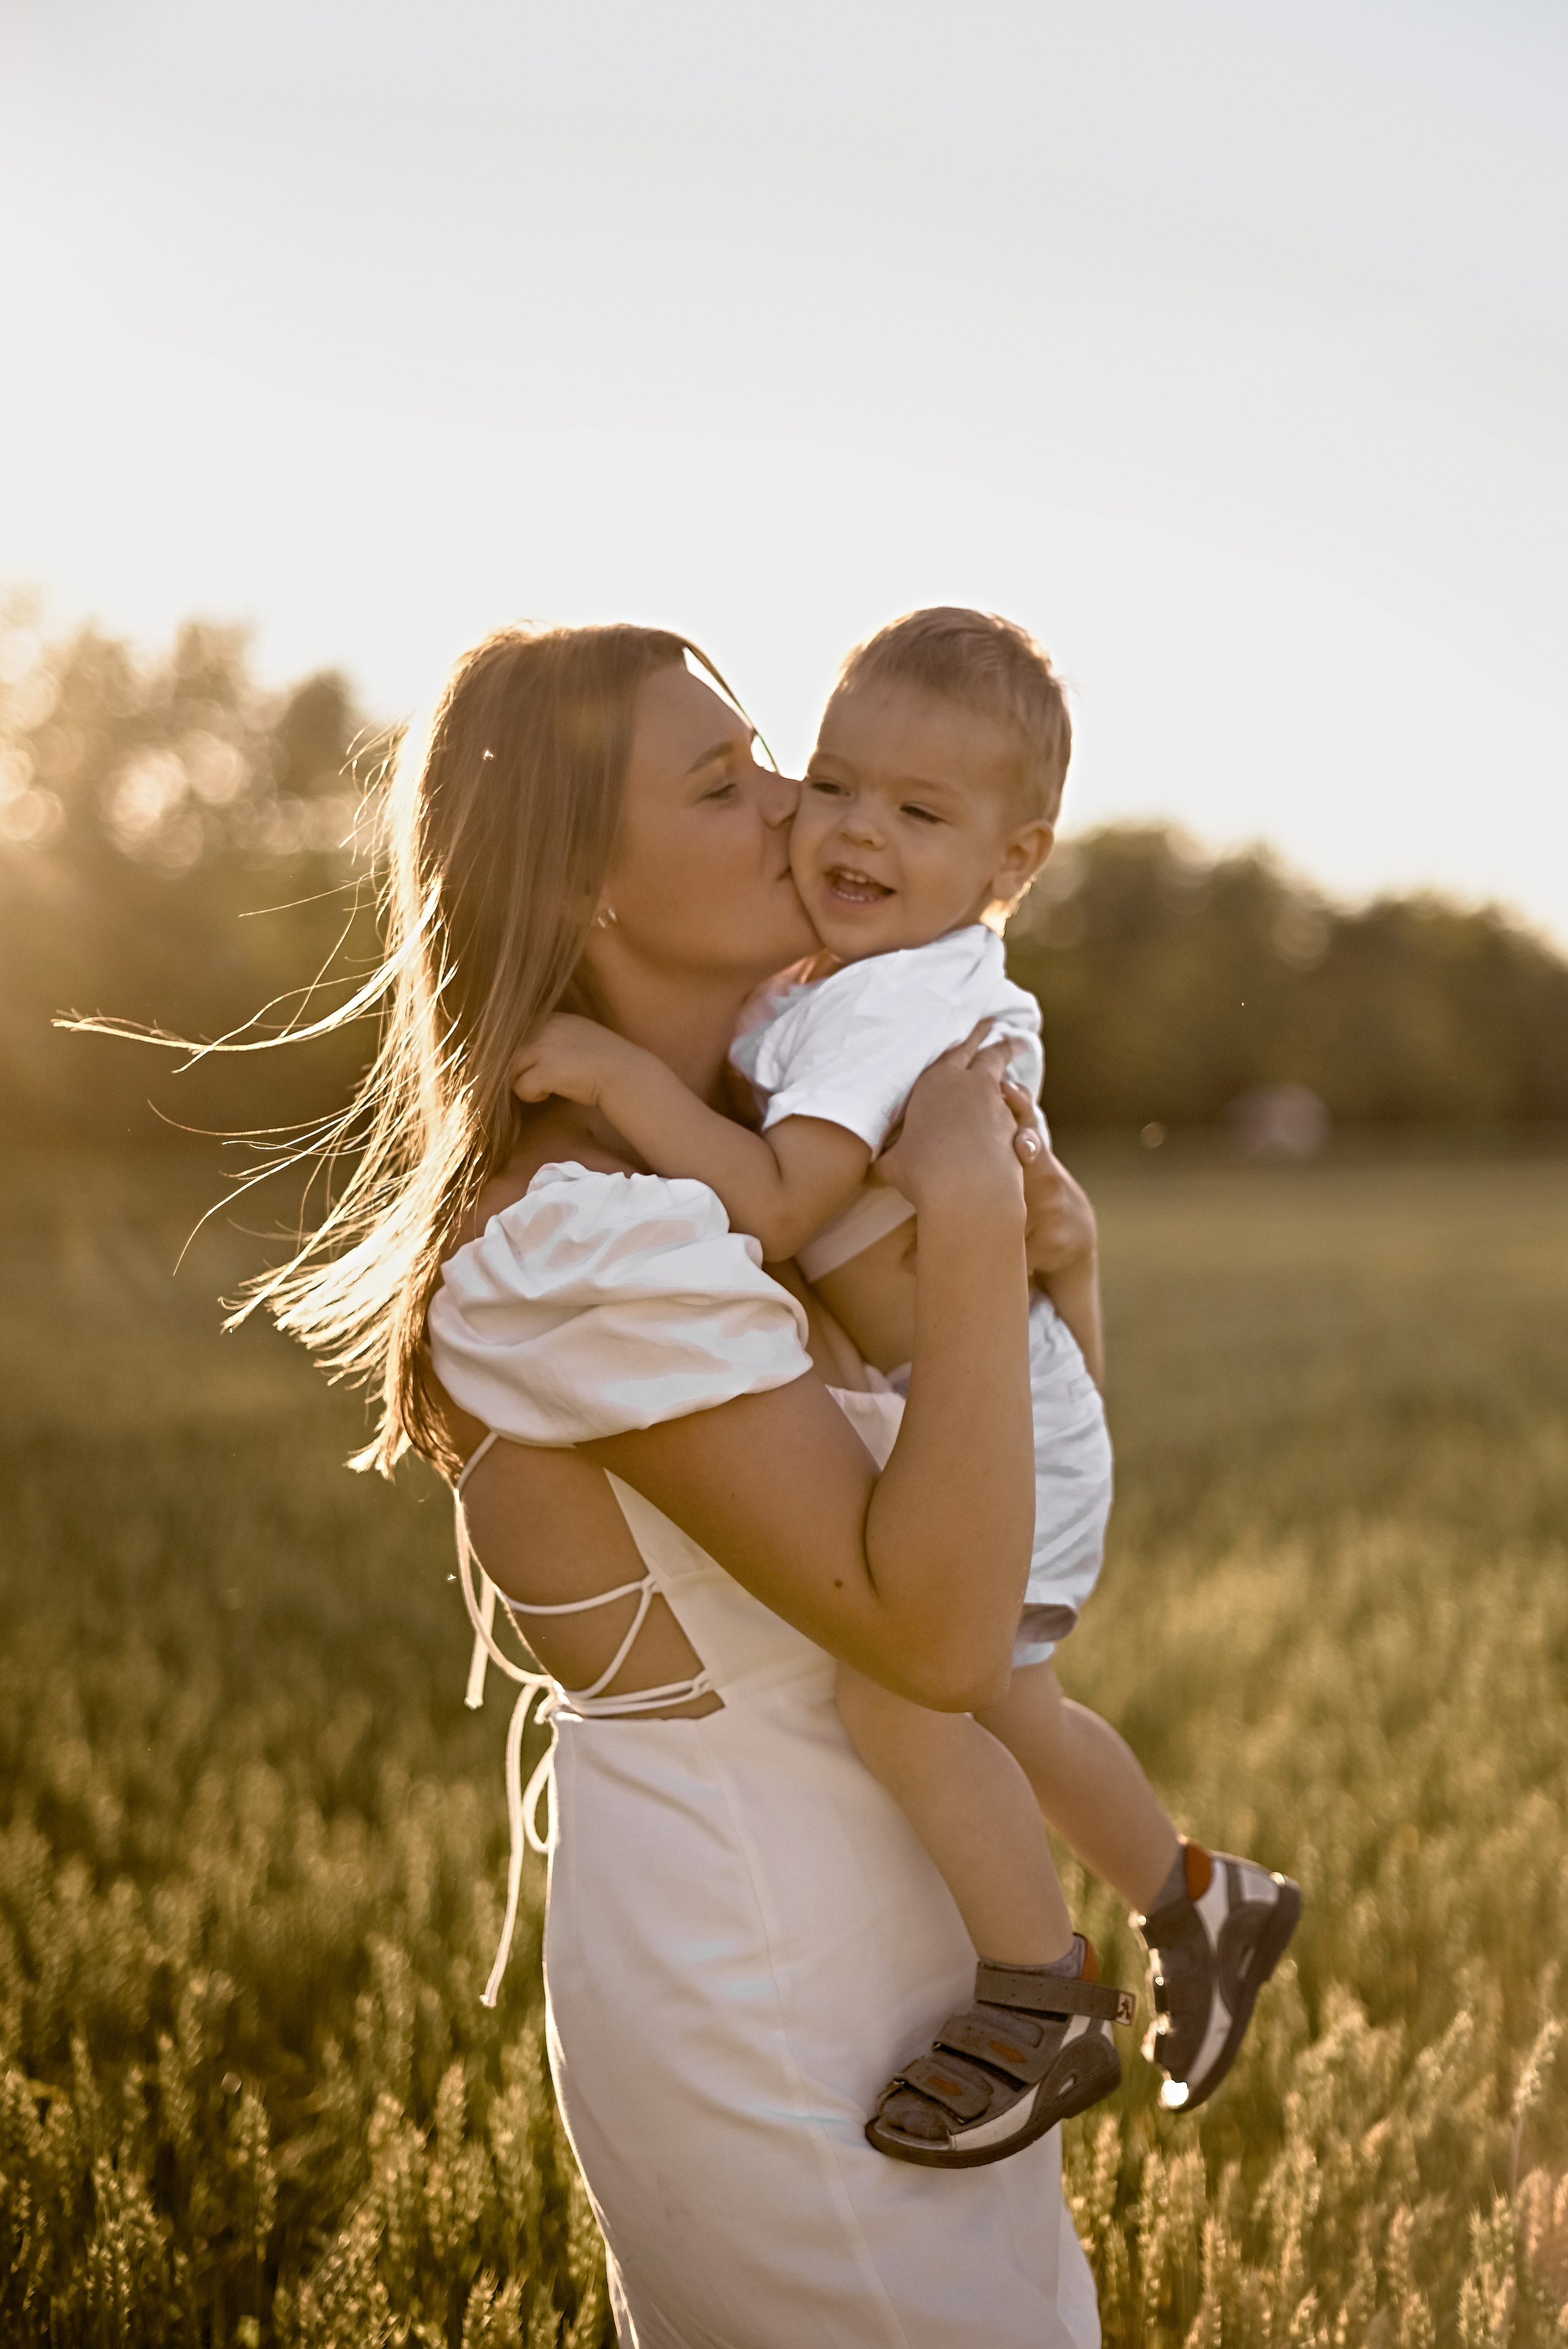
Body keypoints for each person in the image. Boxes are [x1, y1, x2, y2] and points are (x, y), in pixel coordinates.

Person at [255, 621, 1104, 2345]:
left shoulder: (764, 1163)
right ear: (583, 891)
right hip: (768, 1962)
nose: (803, 804)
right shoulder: (580, 1234)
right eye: (730, 784)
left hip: (924, 1949)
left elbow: (1027, 1548)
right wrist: (973, 1235)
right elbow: (940, 1646)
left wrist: (1046, 1269)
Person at [508, 608, 1300, 2166]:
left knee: (917, 1683)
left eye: (918, 814)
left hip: (993, 1400)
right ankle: (1197, 1900)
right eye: (835, 779)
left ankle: (1044, 1987)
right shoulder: (845, 976)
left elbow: (787, 1209)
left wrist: (617, 1081)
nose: (849, 828)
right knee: (1003, 1696)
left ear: (1012, 863)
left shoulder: (886, 1000)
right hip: (984, 1380)